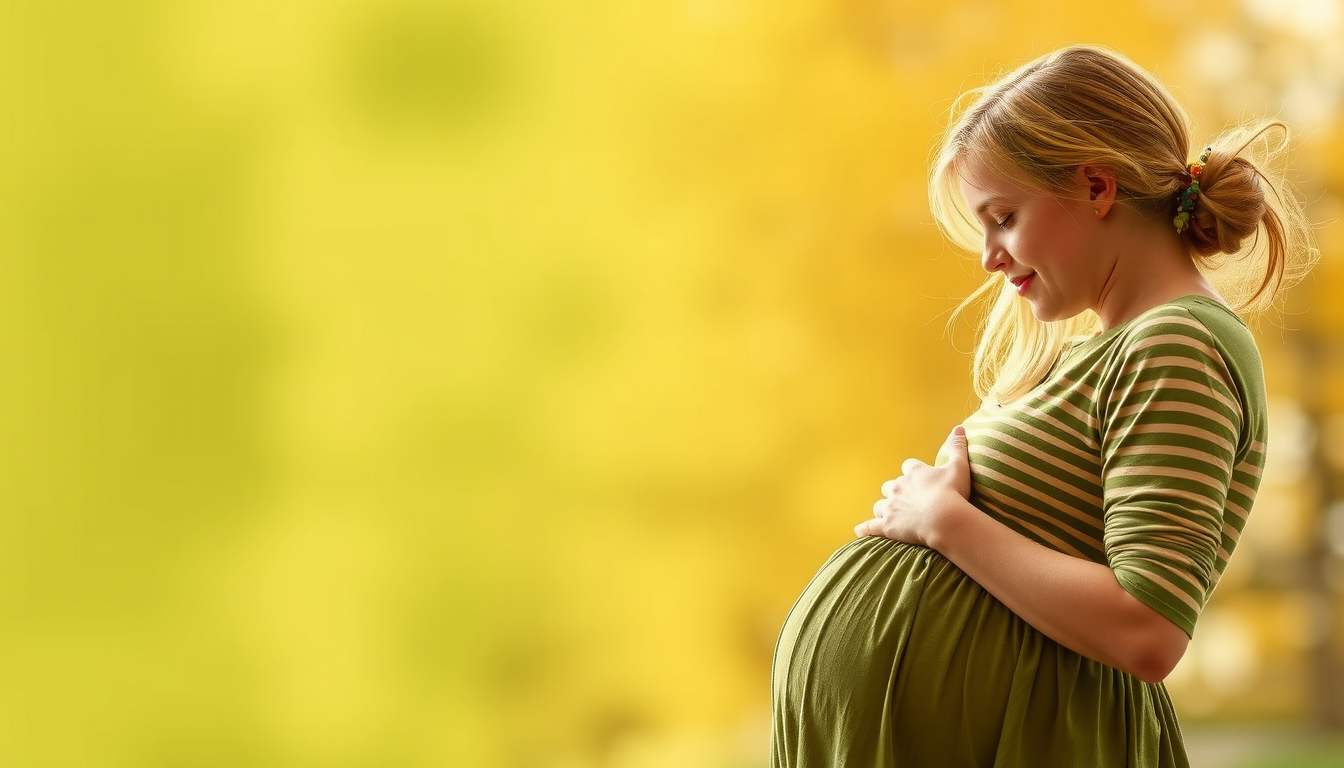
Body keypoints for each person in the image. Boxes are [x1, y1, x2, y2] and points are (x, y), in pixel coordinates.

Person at [770, 45, 1318, 768]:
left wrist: (947, 523)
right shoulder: (1106, 348)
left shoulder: (1179, 342)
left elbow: (1148, 629)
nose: (989, 256)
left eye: (1003, 217)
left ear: (1096, 186)